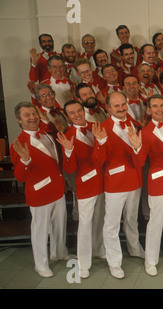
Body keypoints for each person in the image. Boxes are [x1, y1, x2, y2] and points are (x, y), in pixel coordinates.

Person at [10, 101, 70, 278]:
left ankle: (59, 252)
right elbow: (20, 177)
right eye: (27, 115)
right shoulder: (18, 143)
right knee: (40, 230)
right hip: (39, 193)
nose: (32, 118)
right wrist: (25, 160)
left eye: (34, 114)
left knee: (60, 224)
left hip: (57, 188)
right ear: (19, 120)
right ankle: (41, 264)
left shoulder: (46, 133)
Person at [128, 94, 163, 277]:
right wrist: (136, 148)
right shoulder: (144, 133)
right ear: (148, 110)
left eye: (162, 105)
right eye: (155, 106)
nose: (159, 109)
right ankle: (150, 261)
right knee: (156, 222)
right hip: (159, 182)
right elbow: (138, 164)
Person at [92, 91, 144, 279]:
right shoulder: (102, 127)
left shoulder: (134, 124)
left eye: (123, 104)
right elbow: (97, 162)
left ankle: (135, 248)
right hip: (115, 184)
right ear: (107, 108)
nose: (121, 108)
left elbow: (139, 154)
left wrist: (137, 147)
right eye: (116, 106)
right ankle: (114, 262)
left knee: (131, 219)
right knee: (111, 224)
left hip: (135, 180)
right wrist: (101, 142)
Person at [57, 100, 106, 279]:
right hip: (85, 186)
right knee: (85, 224)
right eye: (72, 113)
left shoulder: (97, 126)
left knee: (101, 219)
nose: (77, 114)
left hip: (104, 182)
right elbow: (69, 169)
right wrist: (68, 152)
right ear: (67, 116)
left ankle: (99, 250)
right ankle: (83, 263)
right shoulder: (66, 135)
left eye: (79, 111)